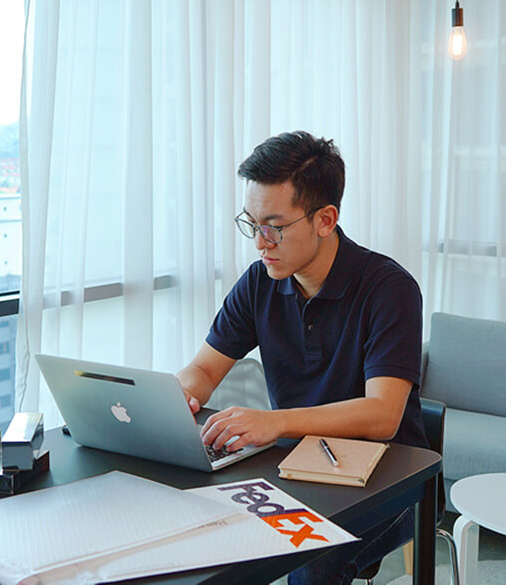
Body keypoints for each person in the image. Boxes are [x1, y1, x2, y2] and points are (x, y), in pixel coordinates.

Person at [176, 130, 427, 585]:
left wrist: (275, 422)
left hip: (388, 483)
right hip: (290, 473)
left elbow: (383, 415)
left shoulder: (389, 289)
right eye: (251, 223)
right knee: (193, 531)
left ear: (325, 220)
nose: (259, 242)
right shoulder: (259, 283)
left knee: (311, 563)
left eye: (273, 226)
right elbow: (203, 370)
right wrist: (172, 398)